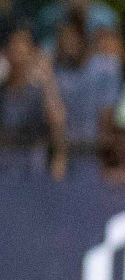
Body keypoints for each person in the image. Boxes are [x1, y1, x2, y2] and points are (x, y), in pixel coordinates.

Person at [0, 24, 67, 179]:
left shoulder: (41, 91)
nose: (18, 54)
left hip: (32, 171)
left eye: (23, 48)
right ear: (4, 52)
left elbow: (57, 124)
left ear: (33, 53)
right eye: (13, 47)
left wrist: (48, 82)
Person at [51, 16, 123, 178]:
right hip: (67, 154)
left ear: (84, 39)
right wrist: (60, 154)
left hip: (95, 155)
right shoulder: (57, 72)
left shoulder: (107, 68)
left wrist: (108, 159)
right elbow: (55, 115)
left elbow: (108, 114)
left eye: (71, 38)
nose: (66, 44)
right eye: (62, 39)